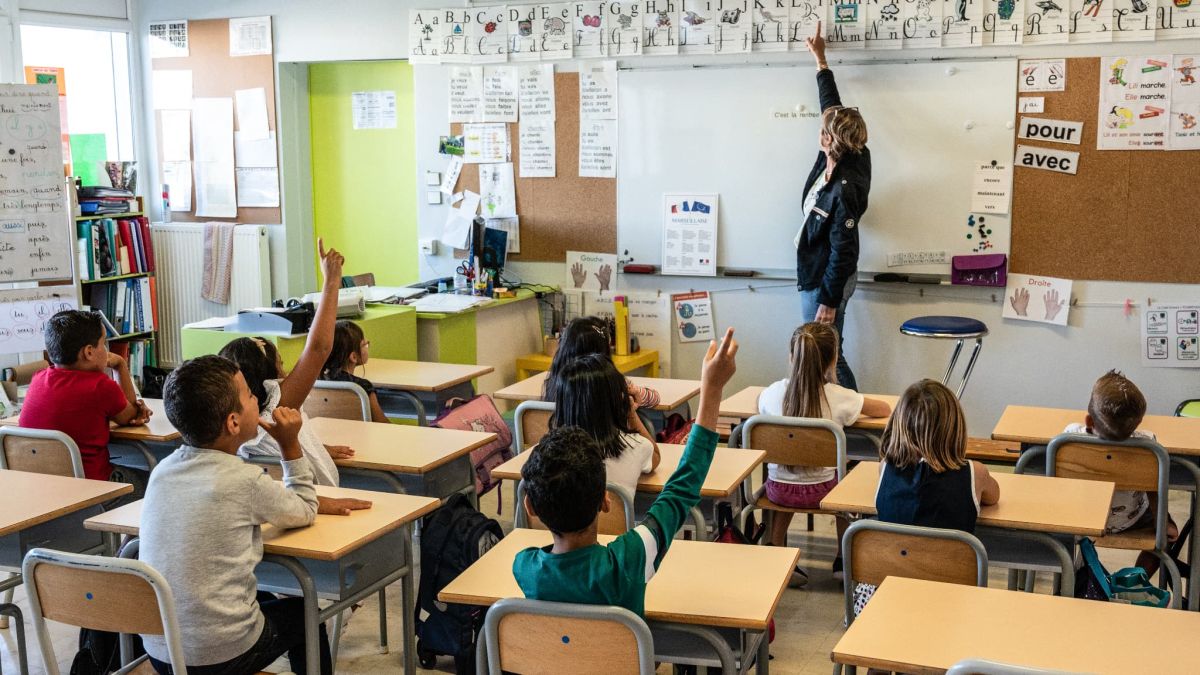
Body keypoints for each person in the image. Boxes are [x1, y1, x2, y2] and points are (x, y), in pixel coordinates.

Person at [139, 355, 371, 674]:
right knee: (304, 613)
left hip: (162, 652)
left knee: (257, 592)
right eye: (250, 394)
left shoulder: (162, 472)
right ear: (233, 422)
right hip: (220, 655)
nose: (257, 398)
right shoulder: (245, 481)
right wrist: (290, 447)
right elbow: (304, 510)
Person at [514, 328, 738, 614]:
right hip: (625, 660)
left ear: (529, 506)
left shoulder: (525, 567)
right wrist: (712, 389)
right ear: (606, 501)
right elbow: (682, 487)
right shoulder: (631, 558)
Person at [853, 379, 999, 615]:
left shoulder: (885, 468)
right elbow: (993, 496)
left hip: (886, 599)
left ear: (900, 425)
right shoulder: (975, 472)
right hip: (950, 600)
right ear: (955, 428)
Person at [759, 322, 891, 584]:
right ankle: (843, 559)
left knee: (788, 471)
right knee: (848, 477)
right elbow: (884, 409)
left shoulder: (772, 393)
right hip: (824, 493)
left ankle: (775, 549)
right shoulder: (841, 397)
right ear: (833, 360)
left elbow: (759, 404)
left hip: (778, 492)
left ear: (791, 356)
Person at [219, 239, 354, 486]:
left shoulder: (230, 430)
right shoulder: (276, 410)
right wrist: (331, 281)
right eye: (280, 364)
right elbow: (318, 348)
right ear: (267, 379)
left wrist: (317, 449)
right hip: (316, 501)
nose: (285, 371)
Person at [794, 21, 871, 391]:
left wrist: (828, 300)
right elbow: (832, 106)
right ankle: (832, 424)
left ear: (828, 139)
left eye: (823, 128)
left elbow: (844, 249)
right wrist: (820, 60)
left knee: (823, 357)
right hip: (816, 270)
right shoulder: (844, 151)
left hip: (827, 278)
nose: (819, 128)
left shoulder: (846, 186)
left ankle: (854, 424)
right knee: (821, 355)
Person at [1063, 370, 1178, 571]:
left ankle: (1079, 578)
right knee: (1168, 535)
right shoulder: (1148, 445)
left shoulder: (1068, 437)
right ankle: (1137, 579)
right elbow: (1154, 489)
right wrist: (1164, 522)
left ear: (1089, 420)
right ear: (1139, 422)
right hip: (1131, 521)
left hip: (1080, 520)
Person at [20, 310, 151, 481]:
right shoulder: (100, 386)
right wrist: (120, 365)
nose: (106, 349)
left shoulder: (38, 379)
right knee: (156, 480)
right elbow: (131, 417)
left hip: (44, 489)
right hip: (93, 490)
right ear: (89, 352)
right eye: (104, 343)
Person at [549, 353, 660, 497]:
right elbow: (656, 457)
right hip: (616, 520)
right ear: (617, 400)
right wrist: (630, 412)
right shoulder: (636, 446)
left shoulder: (548, 454)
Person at [543, 316, 661, 409]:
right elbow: (655, 398)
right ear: (603, 350)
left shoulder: (554, 383)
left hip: (565, 439)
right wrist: (634, 391)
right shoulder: (611, 382)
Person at [321, 320, 388, 423]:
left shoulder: (317, 382)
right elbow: (383, 424)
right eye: (364, 345)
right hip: (361, 438)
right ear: (354, 357)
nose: (367, 346)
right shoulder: (361, 388)